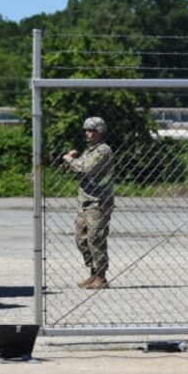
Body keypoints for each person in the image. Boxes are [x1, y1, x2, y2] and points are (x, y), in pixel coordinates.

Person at [63, 116, 114, 290]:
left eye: (92, 130)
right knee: (81, 239)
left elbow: (86, 168)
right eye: (86, 130)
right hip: (85, 201)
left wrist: (70, 159)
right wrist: (75, 159)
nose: (88, 133)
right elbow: (81, 168)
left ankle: (101, 277)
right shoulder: (89, 151)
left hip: (98, 202)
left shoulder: (102, 151)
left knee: (95, 238)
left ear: (100, 132)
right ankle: (93, 272)